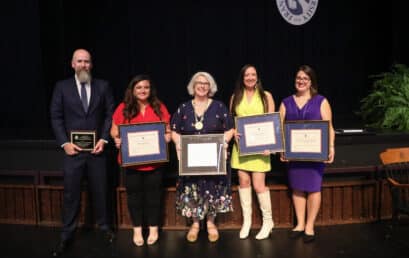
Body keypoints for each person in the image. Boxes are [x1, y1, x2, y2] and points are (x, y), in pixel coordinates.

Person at [50, 49, 115, 256]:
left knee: (101, 191)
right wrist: (64, 143)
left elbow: (109, 115)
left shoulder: (103, 86)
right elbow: (56, 117)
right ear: (72, 64)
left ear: (91, 64)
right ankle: (66, 235)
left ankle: (105, 228)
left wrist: (104, 139)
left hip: (98, 151)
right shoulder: (61, 87)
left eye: (87, 61)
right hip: (73, 152)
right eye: (79, 61)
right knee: (71, 195)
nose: (83, 65)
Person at [171, 71, 234, 243]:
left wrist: (225, 141)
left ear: (210, 87)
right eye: (199, 82)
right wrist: (178, 143)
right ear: (193, 86)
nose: (202, 86)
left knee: (212, 188)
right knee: (192, 189)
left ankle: (211, 223)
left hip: (214, 158)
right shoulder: (183, 108)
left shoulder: (219, 106)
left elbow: (230, 129)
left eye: (206, 83)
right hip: (190, 159)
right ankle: (196, 224)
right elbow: (174, 130)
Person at [110, 75, 171, 246]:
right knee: (134, 197)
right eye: (139, 87)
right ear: (133, 90)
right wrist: (117, 139)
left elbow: (167, 129)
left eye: (146, 87)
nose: (143, 90)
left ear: (150, 90)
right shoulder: (123, 108)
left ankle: (153, 228)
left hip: (155, 162)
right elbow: (114, 130)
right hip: (132, 163)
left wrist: (167, 137)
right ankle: (137, 230)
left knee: (154, 197)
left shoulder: (159, 107)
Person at [279, 65, 335, 243]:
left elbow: (329, 127)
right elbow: (279, 130)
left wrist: (331, 147)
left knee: (313, 188)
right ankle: (300, 224)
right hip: (294, 156)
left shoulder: (321, 101)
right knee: (297, 187)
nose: (301, 81)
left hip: (316, 155)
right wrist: (282, 149)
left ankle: (310, 225)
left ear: (311, 82)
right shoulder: (286, 102)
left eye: (305, 78)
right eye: (298, 78)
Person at [230, 64, 276, 240]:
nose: (250, 77)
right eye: (247, 75)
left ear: (257, 77)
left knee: (258, 185)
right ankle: (247, 221)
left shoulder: (266, 96)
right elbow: (232, 121)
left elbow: (273, 122)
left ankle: (268, 221)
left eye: (253, 74)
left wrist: (270, 145)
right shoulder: (235, 96)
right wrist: (234, 131)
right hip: (242, 147)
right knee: (243, 181)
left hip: (261, 149)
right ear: (242, 78)